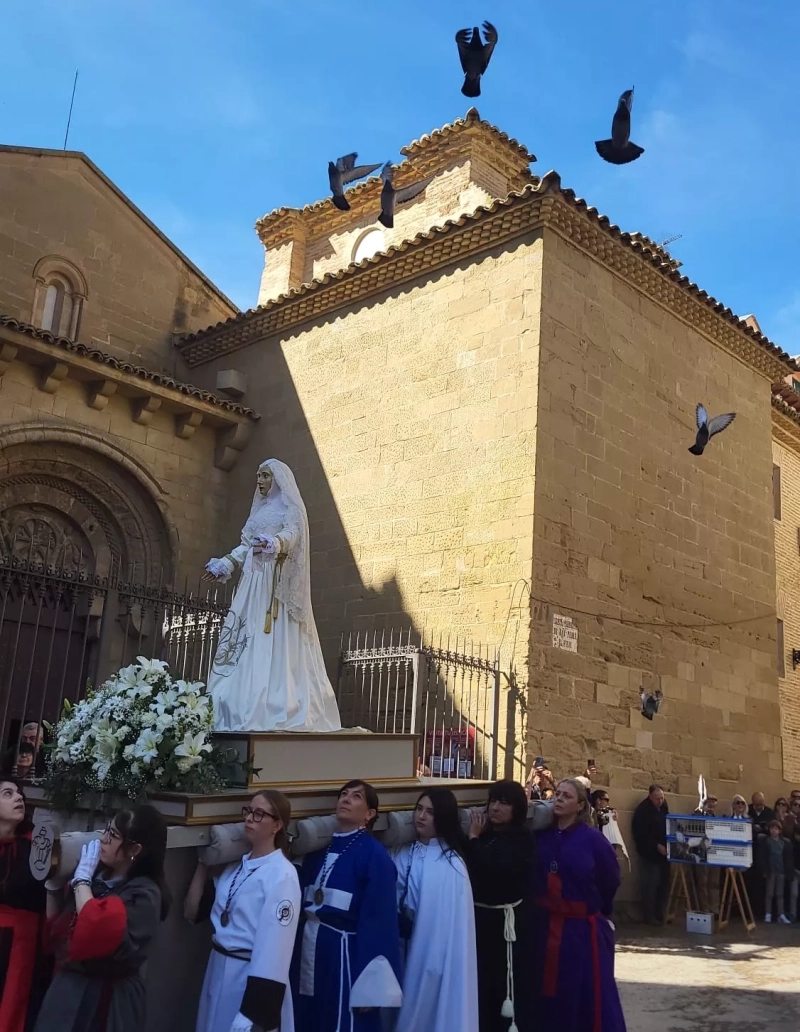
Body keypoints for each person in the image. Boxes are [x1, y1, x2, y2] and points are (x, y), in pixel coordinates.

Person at [203, 458, 342, 733]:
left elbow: (293, 535)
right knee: (245, 635)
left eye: (265, 475)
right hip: (252, 583)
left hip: (274, 583)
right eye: (258, 475)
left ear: (278, 479)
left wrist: (275, 543)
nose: (259, 480)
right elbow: (246, 545)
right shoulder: (260, 511)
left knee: (273, 636)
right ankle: (236, 697)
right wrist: (227, 562)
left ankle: (276, 700)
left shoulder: (289, 509)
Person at [35, 804, 169, 1032]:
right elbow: (58, 933)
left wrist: (81, 883)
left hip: (108, 997)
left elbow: (96, 929)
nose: (104, 839)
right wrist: (53, 886)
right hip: (68, 988)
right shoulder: (96, 875)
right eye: (106, 829)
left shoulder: (144, 894)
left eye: (114, 835)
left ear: (134, 849)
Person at [293, 780, 402, 1032]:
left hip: (346, 957)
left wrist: (370, 986)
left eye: (356, 797)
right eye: (343, 794)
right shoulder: (318, 851)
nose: (346, 799)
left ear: (369, 814)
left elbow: (380, 924)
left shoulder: (375, 856)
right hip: (309, 950)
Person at [187, 790, 301, 1032]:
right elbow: (192, 912)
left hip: (248, 975)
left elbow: (275, 948)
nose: (249, 818)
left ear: (277, 825)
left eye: (259, 814)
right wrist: (203, 862)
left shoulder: (282, 875)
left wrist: (255, 1012)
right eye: (248, 811)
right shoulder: (234, 867)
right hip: (218, 967)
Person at [532, 778, 627, 1032]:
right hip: (544, 927)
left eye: (566, 796)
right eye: (557, 795)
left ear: (581, 805)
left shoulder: (593, 840)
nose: (558, 800)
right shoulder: (541, 836)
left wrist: (597, 911)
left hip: (580, 933)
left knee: (582, 992)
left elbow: (611, 879)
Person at [390, 788, 478, 1032]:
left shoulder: (451, 864)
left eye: (430, 812)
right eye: (419, 809)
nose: (421, 816)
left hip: (431, 956)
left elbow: (443, 925)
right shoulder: (403, 851)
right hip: (401, 948)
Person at [465, 779, 535, 1032]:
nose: (495, 808)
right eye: (493, 801)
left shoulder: (521, 838)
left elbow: (496, 867)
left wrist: (473, 839)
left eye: (503, 803)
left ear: (516, 808)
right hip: (480, 922)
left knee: (502, 985)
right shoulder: (489, 836)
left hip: (506, 927)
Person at [0, 777, 49, 1032]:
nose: (18, 797)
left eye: (19, 793)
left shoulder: (36, 847)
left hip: (25, 946)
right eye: (7, 794)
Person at [631, 785, 668, 925]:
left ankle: (661, 913)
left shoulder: (664, 806)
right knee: (651, 884)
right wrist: (655, 845)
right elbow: (640, 834)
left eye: (662, 798)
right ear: (650, 796)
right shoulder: (643, 811)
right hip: (649, 853)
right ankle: (649, 915)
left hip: (664, 852)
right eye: (657, 799)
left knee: (663, 884)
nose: (660, 801)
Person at [758, 820, 793, 924]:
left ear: (780, 830)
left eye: (776, 829)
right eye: (772, 828)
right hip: (771, 871)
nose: (774, 831)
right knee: (769, 893)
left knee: (780, 894)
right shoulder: (767, 841)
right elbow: (763, 857)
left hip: (781, 871)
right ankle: (768, 914)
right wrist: (765, 870)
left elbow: (788, 858)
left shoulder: (784, 842)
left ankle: (781, 914)